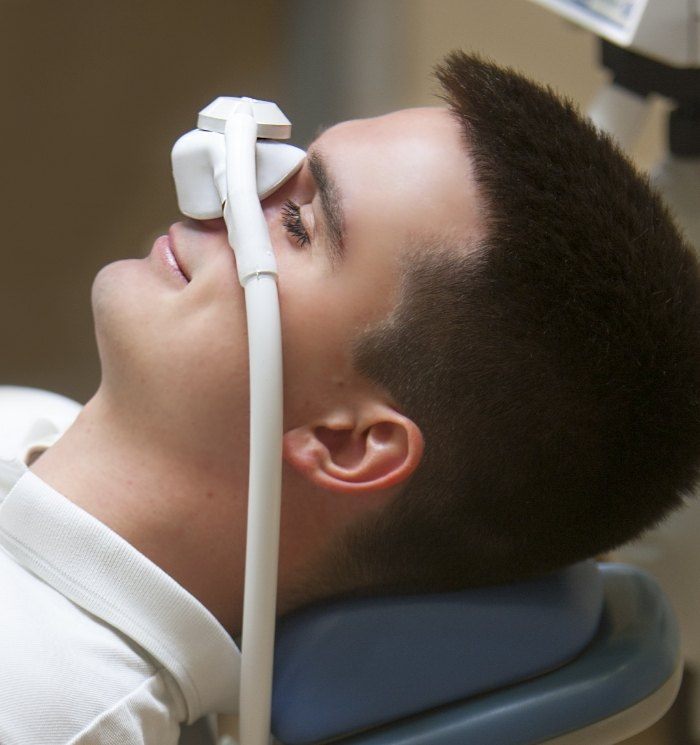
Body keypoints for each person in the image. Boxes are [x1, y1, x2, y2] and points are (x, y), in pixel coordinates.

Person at [2, 51, 700, 744]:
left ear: (346, 441)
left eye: (301, 223)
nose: (230, 189)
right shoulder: (29, 424)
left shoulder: (51, 712)